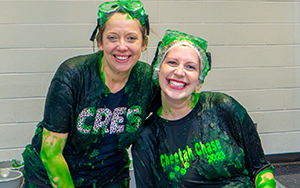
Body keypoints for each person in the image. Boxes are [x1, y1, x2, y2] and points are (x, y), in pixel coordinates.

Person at [22, 1, 156, 187]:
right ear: (100, 42)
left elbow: (178, 111)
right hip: (53, 175)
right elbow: (51, 154)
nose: (122, 46)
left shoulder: (147, 81)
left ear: (144, 44)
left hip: (109, 176)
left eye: (131, 38)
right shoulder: (73, 75)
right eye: (112, 38)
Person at [132, 29, 276, 188]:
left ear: (199, 79)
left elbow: (260, 168)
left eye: (190, 67)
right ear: (157, 68)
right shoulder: (147, 139)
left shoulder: (223, 107)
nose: (179, 72)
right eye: (172, 62)